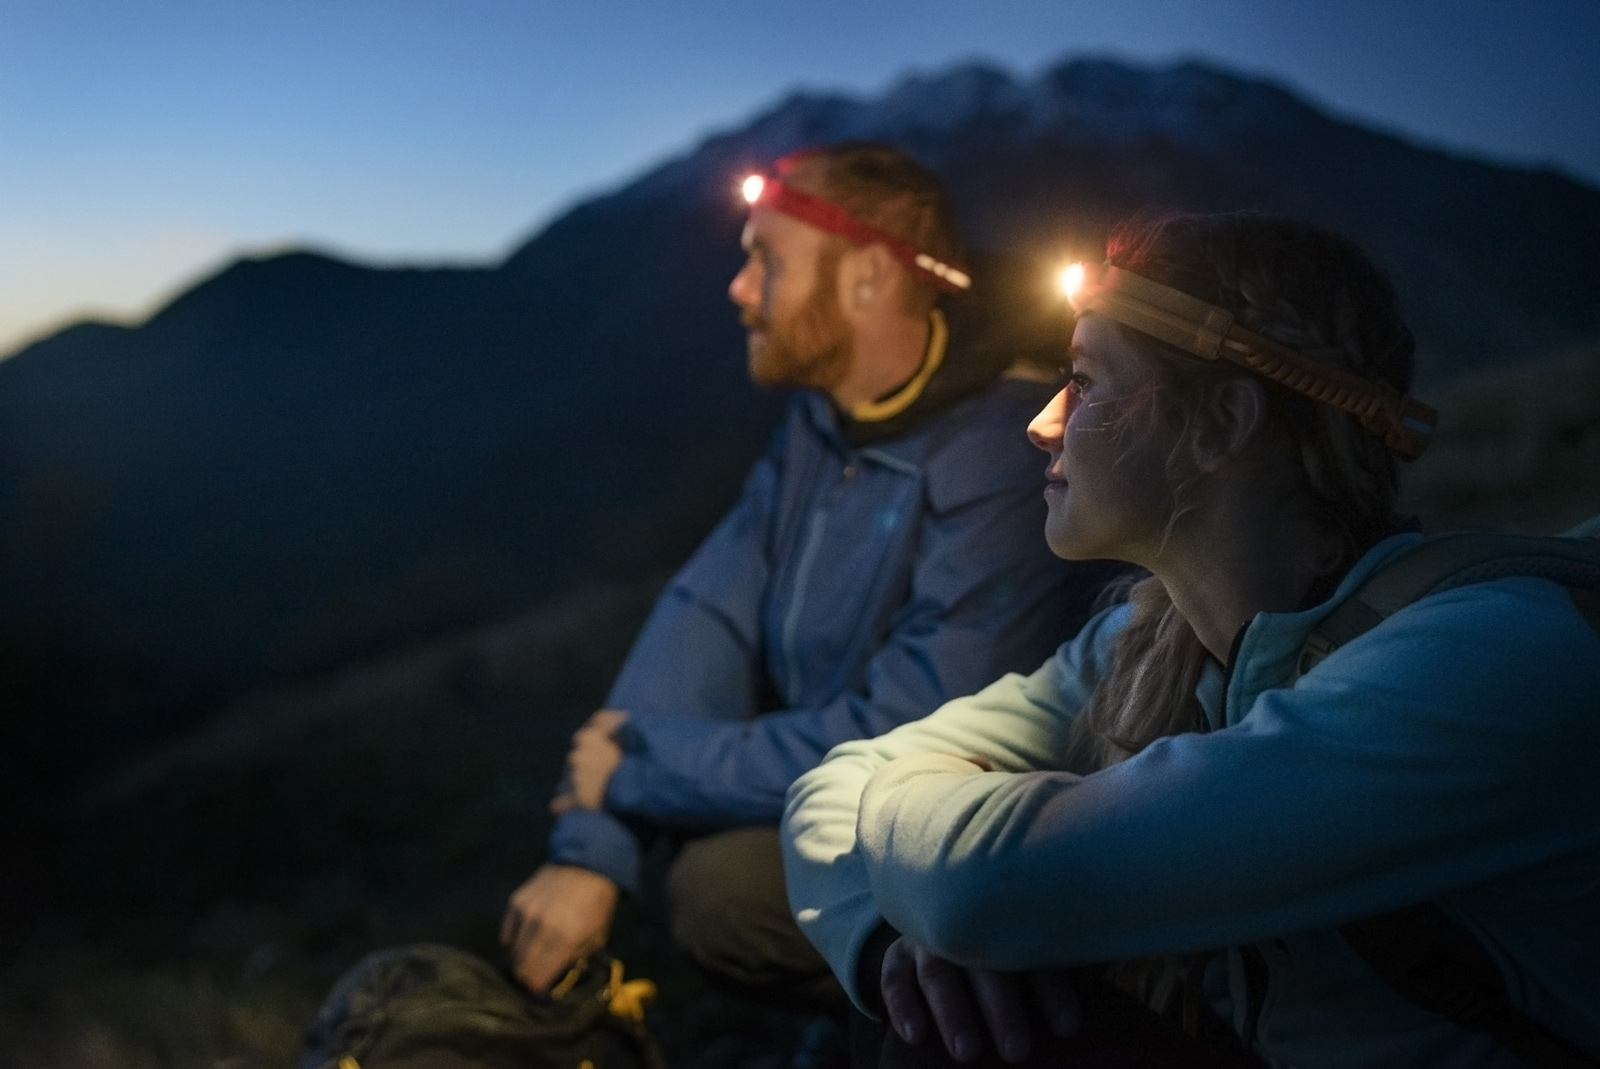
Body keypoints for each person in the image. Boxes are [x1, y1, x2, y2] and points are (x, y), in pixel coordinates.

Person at [783, 212, 1600, 1066]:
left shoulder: (1478, 666)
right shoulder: (1144, 642)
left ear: (1221, 422)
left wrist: (906, 825)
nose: (1044, 422)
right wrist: (887, 935)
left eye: (1086, 380)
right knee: (942, 1003)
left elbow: (979, 885)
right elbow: (827, 788)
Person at [499, 142, 1118, 1011]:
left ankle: (930, 1023)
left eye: (766, 260)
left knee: (720, 891)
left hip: (955, 815)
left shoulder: (1003, 455)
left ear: (867, 276)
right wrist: (589, 849)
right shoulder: (822, 425)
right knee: (700, 832)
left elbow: (911, 721)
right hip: (833, 776)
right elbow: (708, 613)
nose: (738, 288)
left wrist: (638, 767)